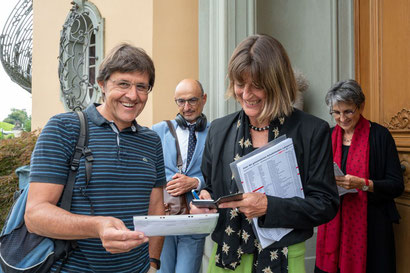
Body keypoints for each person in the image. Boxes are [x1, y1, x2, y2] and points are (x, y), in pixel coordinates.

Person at [190, 34, 339, 273]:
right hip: (227, 257)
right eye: (240, 84)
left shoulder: (312, 130)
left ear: (277, 83)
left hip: (285, 258)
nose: (246, 94)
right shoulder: (218, 130)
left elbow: (325, 204)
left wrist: (269, 206)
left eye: (257, 85)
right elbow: (211, 187)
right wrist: (205, 200)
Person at [25, 43, 166, 273]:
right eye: (123, 84)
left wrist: (153, 263)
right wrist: (97, 226)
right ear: (101, 84)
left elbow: (156, 207)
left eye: (142, 87)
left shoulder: (151, 141)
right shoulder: (64, 128)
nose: (133, 95)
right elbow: (35, 215)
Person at [315, 79, 404, 273]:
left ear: (361, 106)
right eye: (336, 113)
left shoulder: (380, 136)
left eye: (348, 111)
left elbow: (397, 185)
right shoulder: (327, 137)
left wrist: (364, 184)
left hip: (372, 229)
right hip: (334, 224)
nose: (342, 118)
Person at [152, 79, 209, 273]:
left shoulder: (215, 133)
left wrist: (195, 182)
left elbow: (221, 175)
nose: (186, 107)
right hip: (164, 216)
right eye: (180, 101)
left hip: (194, 218)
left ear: (204, 99)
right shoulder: (158, 131)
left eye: (192, 100)